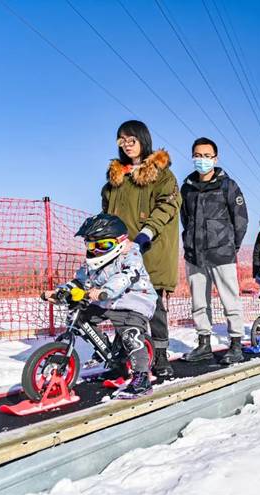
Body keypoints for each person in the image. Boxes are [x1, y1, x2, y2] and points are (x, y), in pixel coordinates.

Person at [44, 214, 157, 399]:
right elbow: (78, 281)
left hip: (135, 299)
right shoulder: (92, 264)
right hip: (107, 300)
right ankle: (109, 354)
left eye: (103, 246)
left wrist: (105, 290)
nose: (96, 251)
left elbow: (126, 276)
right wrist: (60, 292)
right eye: (91, 246)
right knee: (82, 315)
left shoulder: (131, 255)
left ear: (119, 242)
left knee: (130, 333)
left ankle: (142, 378)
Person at [102, 120, 180, 378]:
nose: (126, 144)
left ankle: (159, 354)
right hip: (121, 251)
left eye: (131, 139)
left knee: (152, 302)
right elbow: (106, 212)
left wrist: (147, 232)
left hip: (150, 247)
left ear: (143, 139)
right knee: (122, 303)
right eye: (121, 140)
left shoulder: (162, 174)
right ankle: (124, 354)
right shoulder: (115, 177)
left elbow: (168, 205)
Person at [180, 137, 249, 365]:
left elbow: (240, 220)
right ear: (193, 157)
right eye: (198, 155)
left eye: (207, 156)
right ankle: (204, 344)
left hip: (222, 254)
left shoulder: (228, 185)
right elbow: (185, 219)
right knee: (199, 302)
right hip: (195, 255)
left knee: (230, 300)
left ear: (215, 158)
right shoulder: (187, 188)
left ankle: (236, 344)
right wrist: (190, 241)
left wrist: (231, 246)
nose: (202, 160)